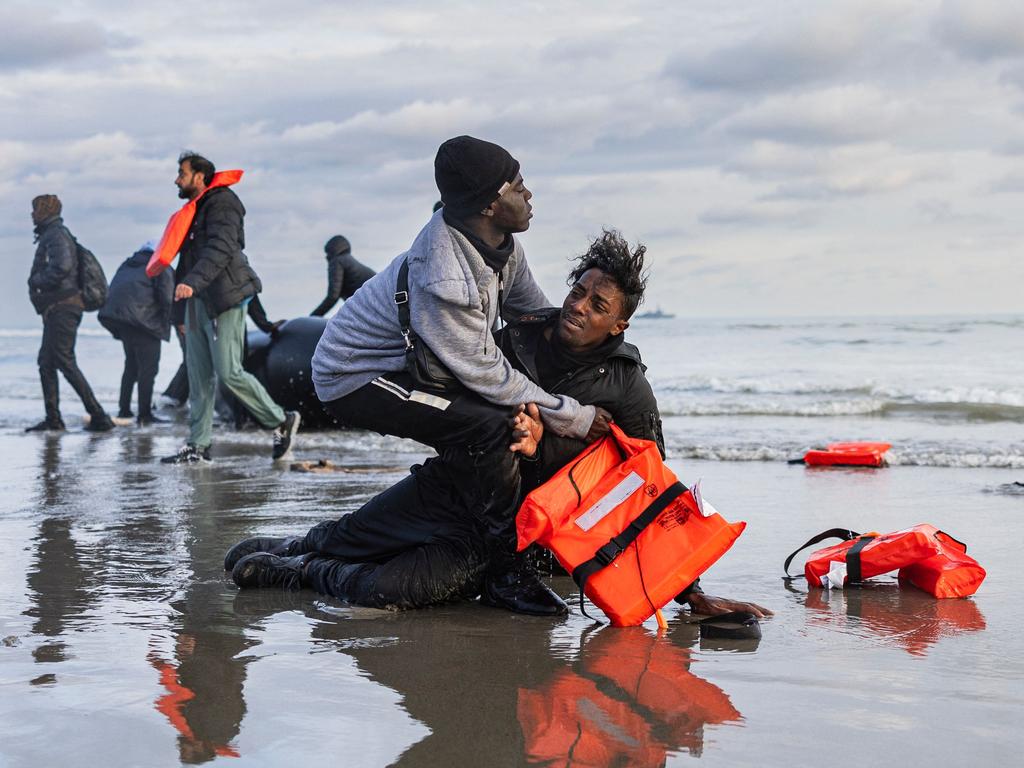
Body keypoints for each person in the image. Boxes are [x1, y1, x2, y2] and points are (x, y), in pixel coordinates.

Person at [225, 229, 766, 619]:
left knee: (390, 589)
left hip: (513, 530)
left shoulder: (626, 386)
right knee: (347, 536)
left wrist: (690, 592)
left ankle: (300, 573)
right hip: (451, 486)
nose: (577, 306)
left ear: (618, 323)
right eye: (577, 290)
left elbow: (648, 490)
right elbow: (458, 413)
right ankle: (303, 545)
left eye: (597, 304)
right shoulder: (516, 339)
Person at [226, 135, 609, 616]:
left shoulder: (502, 246)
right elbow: (486, 373)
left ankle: (306, 544)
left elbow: (532, 315)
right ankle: (505, 572)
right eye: (519, 186)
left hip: (414, 366)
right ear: (491, 203)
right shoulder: (443, 273)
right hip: (357, 374)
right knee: (490, 426)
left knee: (481, 438)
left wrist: (601, 346)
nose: (529, 196)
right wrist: (570, 415)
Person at [160, 152, 299, 464]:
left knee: (228, 371)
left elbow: (221, 248)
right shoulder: (192, 211)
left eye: (181, 173)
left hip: (225, 297)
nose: (176, 180)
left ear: (199, 176)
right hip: (195, 302)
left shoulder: (224, 202)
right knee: (198, 376)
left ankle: (280, 420)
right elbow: (186, 263)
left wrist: (194, 282)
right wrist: (178, 312)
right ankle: (198, 445)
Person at [26, 194, 114, 433]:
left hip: (64, 308)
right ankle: (53, 419)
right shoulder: (52, 234)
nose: (32, 214)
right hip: (60, 308)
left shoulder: (56, 235)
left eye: (35, 210)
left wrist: (37, 280)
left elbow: (62, 267)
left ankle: (99, 416)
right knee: (46, 362)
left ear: (44, 210)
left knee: (64, 360)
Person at [97, 240, 175, 425]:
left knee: (131, 366)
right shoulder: (160, 264)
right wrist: (170, 322)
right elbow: (167, 297)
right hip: (145, 322)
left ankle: (124, 411)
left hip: (122, 320)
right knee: (149, 369)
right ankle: (145, 415)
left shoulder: (128, 265)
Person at [309, 235, 376, 317]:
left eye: (327, 253)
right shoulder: (348, 260)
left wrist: (313, 317)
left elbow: (333, 296)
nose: (326, 256)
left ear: (332, 250)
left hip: (369, 306)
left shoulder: (337, 262)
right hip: (375, 305)